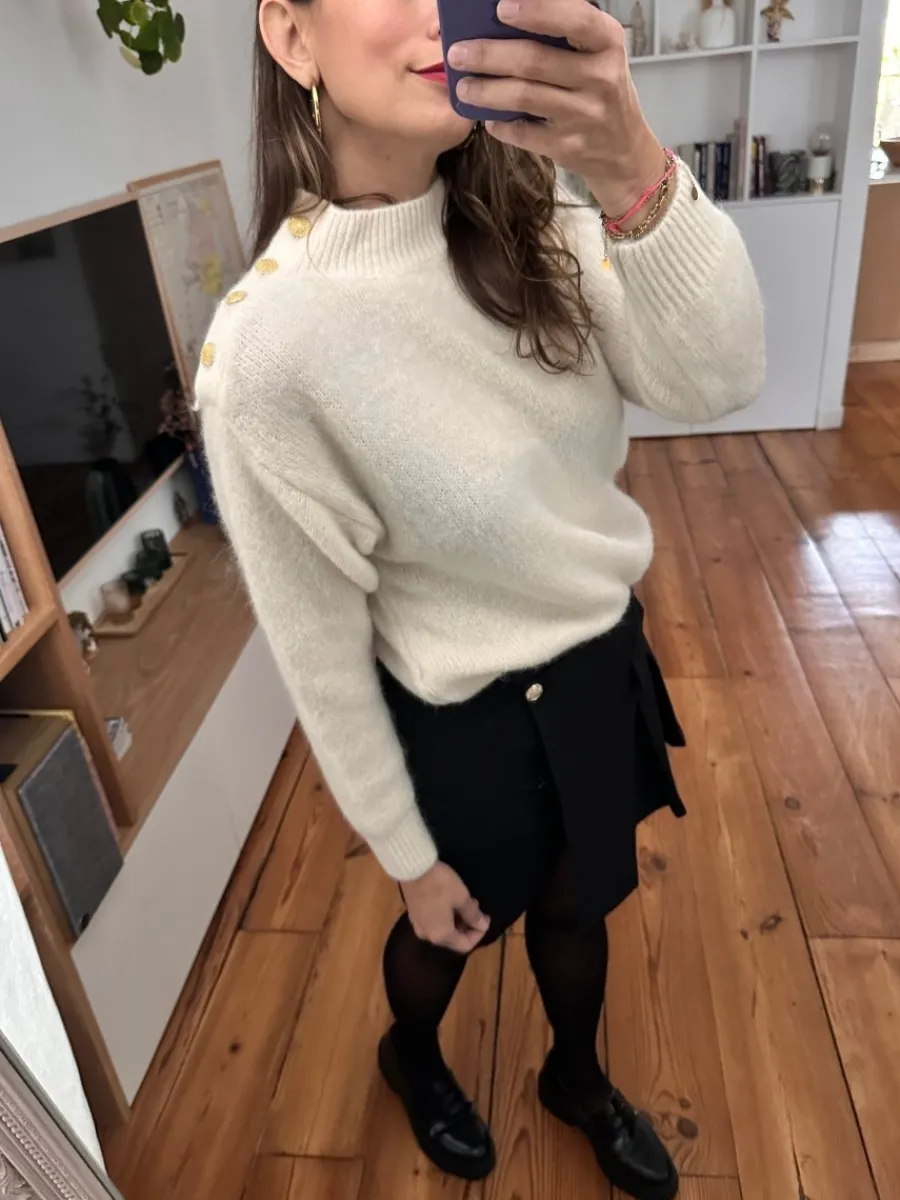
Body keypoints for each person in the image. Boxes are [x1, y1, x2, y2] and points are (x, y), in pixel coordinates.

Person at [197, 1, 765, 1196]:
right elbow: (319, 653)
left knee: (578, 904)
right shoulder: (267, 354)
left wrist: (632, 166)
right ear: (292, 38)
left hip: (601, 664)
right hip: (466, 720)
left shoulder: (544, 217)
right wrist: (406, 854)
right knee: (450, 932)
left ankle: (577, 1076)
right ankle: (412, 1054)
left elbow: (718, 377)